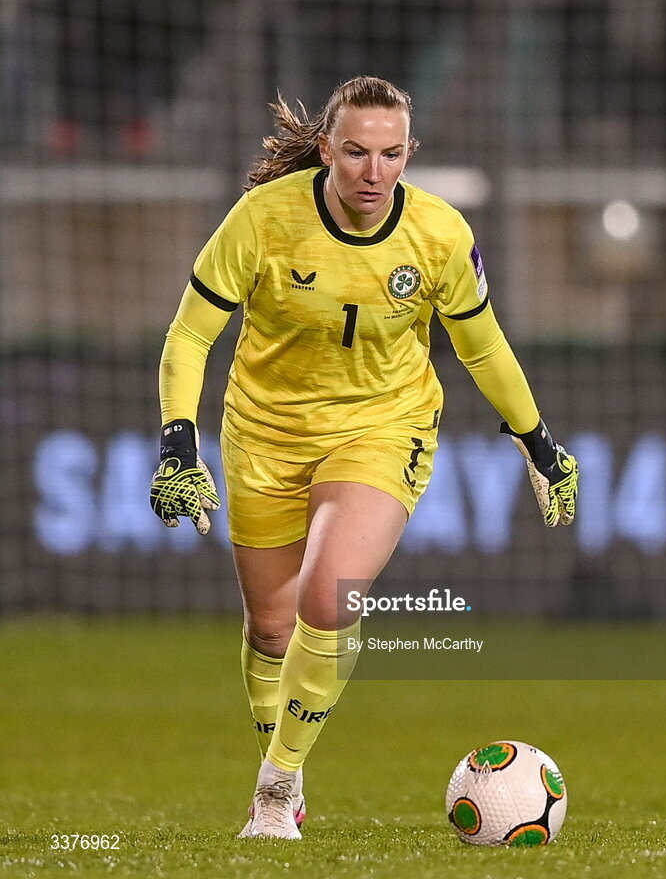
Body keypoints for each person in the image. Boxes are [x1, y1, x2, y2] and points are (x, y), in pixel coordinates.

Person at [149, 76, 578, 840]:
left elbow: (482, 346)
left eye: (389, 154)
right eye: (354, 152)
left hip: (384, 426)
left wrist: (537, 440)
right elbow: (189, 335)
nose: (372, 172)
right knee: (273, 629)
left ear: (409, 153)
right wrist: (178, 440)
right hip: (264, 432)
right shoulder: (263, 219)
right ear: (326, 150)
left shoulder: (440, 235)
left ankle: (275, 790)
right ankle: (291, 763)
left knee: (329, 596)